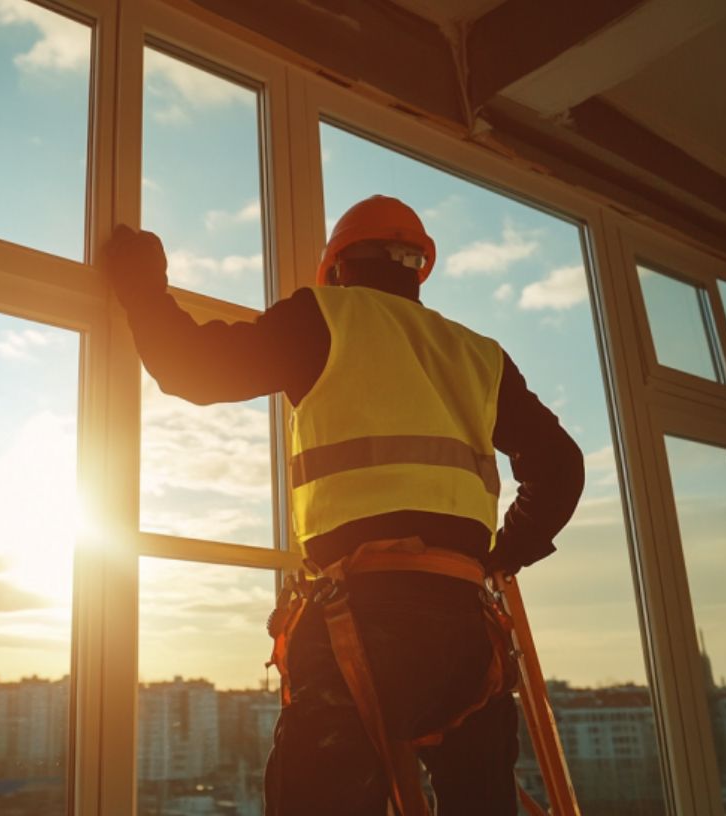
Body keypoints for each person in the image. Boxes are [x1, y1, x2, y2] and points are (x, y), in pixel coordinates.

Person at [99, 195, 584, 815]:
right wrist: (499, 558)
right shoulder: (476, 353)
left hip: (360, 618)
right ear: (417, 269)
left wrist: (141, 285)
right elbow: (561, 466)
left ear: (339, 267)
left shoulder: (324, 317)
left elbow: (194, 367)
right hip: (465, 631)